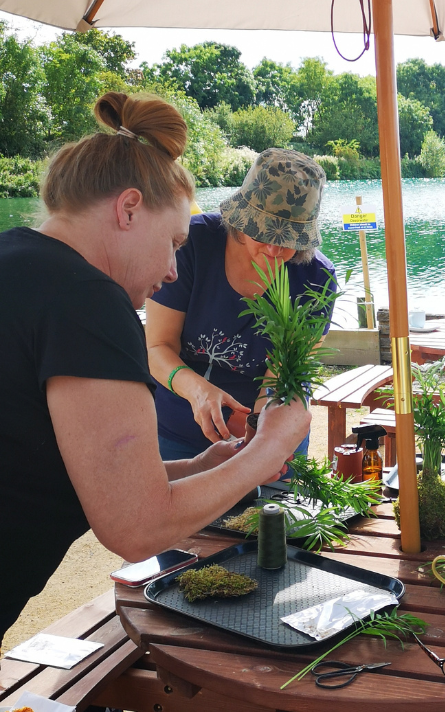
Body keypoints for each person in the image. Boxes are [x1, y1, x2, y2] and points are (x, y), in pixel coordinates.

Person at [0, 92, 311, 643]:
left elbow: (69, 471)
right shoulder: (88, 299)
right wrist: (268, 451)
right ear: (127, 209)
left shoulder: (17, 259)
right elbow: (136, 526)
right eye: (172, 242)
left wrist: (196, 468)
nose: (172, 270)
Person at [146, 148, 336, 462]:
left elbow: (283, 374)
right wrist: (199, 391)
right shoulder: (190, 246)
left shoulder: (317, 281)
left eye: (289, 239)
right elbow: (157, 347)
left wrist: (260, 434)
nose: (275, 249)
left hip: (271, 425)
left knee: (273, 511)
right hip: (178, 428)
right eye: (264, 232)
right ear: (242, 219)